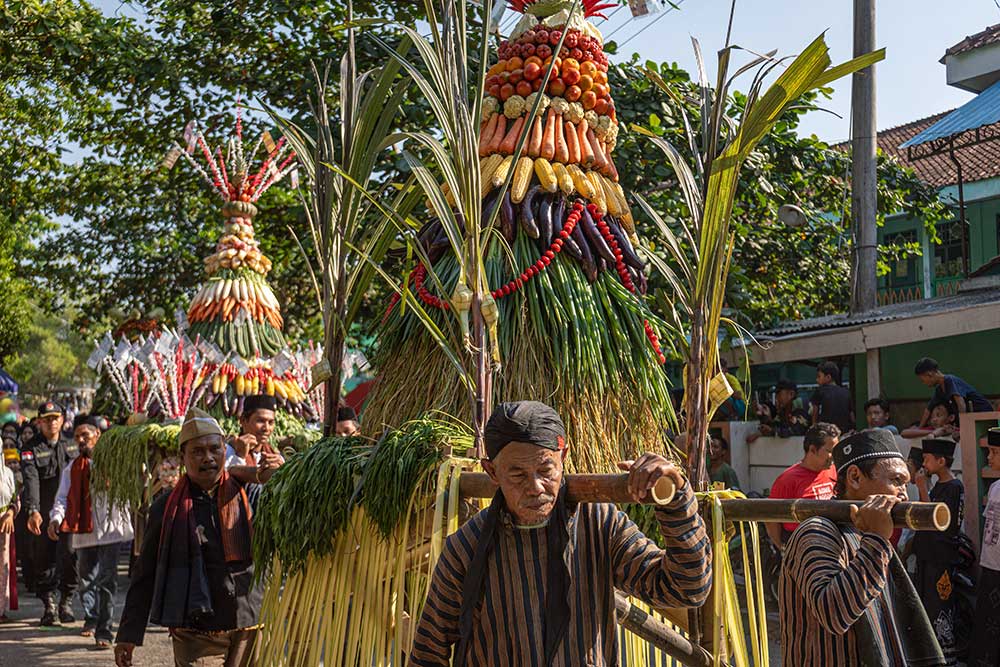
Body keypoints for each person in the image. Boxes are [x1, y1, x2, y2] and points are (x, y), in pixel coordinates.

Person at [408, 401, 712, 666]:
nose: (536, 487)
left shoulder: (599, 524)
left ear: (563, 456)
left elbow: (686, 589)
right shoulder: (466, 548)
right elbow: (427, 653)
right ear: (491, 472)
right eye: (517, 475)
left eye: (546, 470)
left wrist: (676, 500)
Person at [115, 408, 277, 667]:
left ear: (225, 451)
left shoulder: (250, 493)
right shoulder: (166, 508)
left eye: (215, 449)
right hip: (196, 629)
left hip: (248, 623)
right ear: (183, 457)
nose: (208, 458)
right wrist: (128, 634)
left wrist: (280, 474)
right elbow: (144, 575)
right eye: (198, 452)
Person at [779, 429, 945, 665]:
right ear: (855, 477)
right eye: (896, 481)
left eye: (905, 484)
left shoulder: (866, 533)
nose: (904, 496)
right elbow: (833, 614)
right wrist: (877, 538)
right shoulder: (816, 531)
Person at [48, 415, 133, 648]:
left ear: (98, 435)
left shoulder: (116, 463)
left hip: (112, 530)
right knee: (86, 579)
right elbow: (62, 498)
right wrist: (55, 519)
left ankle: (104, 630)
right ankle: (91, 618)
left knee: (107, 580)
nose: (81, 440)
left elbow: (134, 483)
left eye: (85, 435)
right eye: (77, 437)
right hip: (84, 532)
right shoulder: (72, 468)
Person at [21, 400, 79, 625]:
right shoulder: (31, 448)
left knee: (70, 556)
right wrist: (33, 510)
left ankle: (66, 601)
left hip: (70, 513)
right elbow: (31, 479)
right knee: (43, 558)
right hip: (44, 512)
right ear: (39, 422)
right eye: (47, 419)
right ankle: (49, 606)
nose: (51, 423)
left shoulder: (72, 444)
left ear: (62, 420)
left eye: (55, 418)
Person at [913, 438, 970, 664]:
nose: (924, 463)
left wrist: (921, 487)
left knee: (941, 604)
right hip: (928, 553)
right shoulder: (938, 484)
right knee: (926, 602)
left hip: (941, 557)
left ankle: (946, 655)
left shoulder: (954, 487)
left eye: (927, 459)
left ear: (941, 461)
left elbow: (935, 520)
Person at [766, 423, 840, 549]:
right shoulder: (787, 480)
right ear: (812, 449)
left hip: (831, 542)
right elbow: (771, 519)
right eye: (830, 451)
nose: (834, 456)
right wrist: (783, 548)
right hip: (801, 546)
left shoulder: (835, 471)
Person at [970, 428, 1000, 665]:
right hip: (990, 565)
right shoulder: (994, 488)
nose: (989, 457)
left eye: (994, 452)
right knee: (988, 624)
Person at [225, 395, 284, 509]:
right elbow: (224, 487)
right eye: (260, 421)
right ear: (243, 421)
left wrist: (283, 469)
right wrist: (240, 456)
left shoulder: (274, 455)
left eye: (271, 422)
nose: (266, 428)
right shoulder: (227, 452)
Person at [915, 357, 992, 426]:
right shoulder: (939, 389)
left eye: (922, 380)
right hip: (971, 419)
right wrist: (920, 428)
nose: (923, 383)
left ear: (929, 374)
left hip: (984, 416)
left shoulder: (950, 380)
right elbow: (928, 410)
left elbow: (961, 405)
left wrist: (962, 428)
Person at [810, 361, 854, 433]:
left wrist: (813, 428)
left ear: (828, 377)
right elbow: (851, 415)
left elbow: (815, 412)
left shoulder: (820, 391)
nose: (816, 380)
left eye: (819, 376)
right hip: (844, 432)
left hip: (826, 432)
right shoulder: (846, 392)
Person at [0, 451, 17, 622]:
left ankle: (0, 609)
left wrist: (11, 512)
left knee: (3, 568)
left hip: (4, 524)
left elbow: (15, 499)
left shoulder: (8, 474)